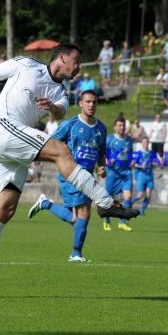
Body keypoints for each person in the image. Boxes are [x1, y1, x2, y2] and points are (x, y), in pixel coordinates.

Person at [0, 43, 139, 298]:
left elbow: (59, 111)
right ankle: (106, 201)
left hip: (12, 146)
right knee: (62, 151)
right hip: (2, 129)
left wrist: (52, 108)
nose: (79, 68)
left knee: (6, 208)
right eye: (76, 61)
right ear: (62, 58)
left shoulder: (62, 94)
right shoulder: (25, 64)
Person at [28, 90, 107, 262]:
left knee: (75, 219)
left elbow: (101, 153)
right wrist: (34, 162)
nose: (91, 104)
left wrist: (101, 167)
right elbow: (49, 143)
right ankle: (76, 254)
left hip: (87, 177)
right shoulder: (70, 125)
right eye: (88, 101)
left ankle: (46, 204)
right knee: (84, 213)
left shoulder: (101, 128)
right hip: (70, 174)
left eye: (94, 102)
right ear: (80, 103)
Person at [104, 116, 135, 232]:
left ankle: (122, 222)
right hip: (112, 173)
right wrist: (107, 161)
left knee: (128, 197)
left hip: (126, 173)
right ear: (115, 127)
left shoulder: (129, 140)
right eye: (119, 125)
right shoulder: (109, 139)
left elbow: (130, 154)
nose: (122, 128)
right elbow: (103, 154)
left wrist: (132, 161)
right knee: (108, 199)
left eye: (123, 126)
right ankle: (106, 220)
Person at [131, 137, 155, 216]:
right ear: (142, 143)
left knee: (148, 195)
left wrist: (155, 164)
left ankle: (142, 211)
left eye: (147, 142)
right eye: (144, 142)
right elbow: (133, 164)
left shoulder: (151, 153)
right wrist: (141, 166)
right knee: (140, 195)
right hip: (141, 176)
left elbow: (154, 163)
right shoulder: (138, 153)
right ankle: (128, 204)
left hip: (150, 176)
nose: (146, 144)